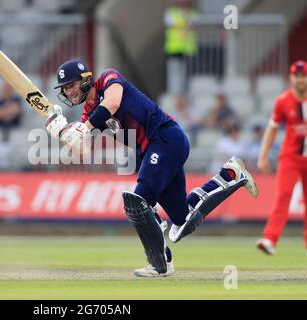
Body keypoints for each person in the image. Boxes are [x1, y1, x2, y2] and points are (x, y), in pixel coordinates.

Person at [45, 60, 258, 277]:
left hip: (165, 138)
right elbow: (82, 152)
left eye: (71, 85)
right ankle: (231, 174)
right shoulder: (89, 114)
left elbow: (112, 104)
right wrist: (64, 134)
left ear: (86, 79)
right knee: (182, 221)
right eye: (65, 88)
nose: (69, 91)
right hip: (150, 151)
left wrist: (84, 127)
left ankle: (160, 263)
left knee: (139, 201)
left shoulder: (108, 80)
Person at [256, 60, 307, 255]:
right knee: (283, 196)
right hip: (291, 157)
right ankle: (270, 238)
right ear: (291, 78)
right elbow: (272, 129)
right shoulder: (283, 101)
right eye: (297, 76)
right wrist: (263, 155)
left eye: (303, 76)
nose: (300, 80)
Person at [164, 0, 198, 95]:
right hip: (174, 49)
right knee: (174, 74)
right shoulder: (171, 13)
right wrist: (186, 25)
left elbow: (195, 26)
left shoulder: (193, 13)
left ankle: (185, 93)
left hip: (189, 49)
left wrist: (181, 25)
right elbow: (170, 25)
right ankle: (175, 94)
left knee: (187, 74)